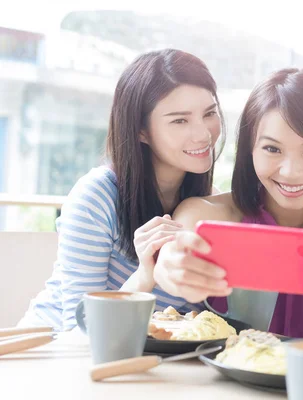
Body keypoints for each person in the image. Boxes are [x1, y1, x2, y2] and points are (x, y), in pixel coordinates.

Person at [151, 68, 303, 339]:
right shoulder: (205, 216)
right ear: (249, 149)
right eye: (272, 149)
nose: (290, 172)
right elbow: (174, 259)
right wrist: (170, 266)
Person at [19, 49, 225, 330]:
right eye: (180, 120)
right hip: (56, 349)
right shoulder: (97, 197)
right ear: (141, 130)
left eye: (209, 113)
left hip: (140, 354)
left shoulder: (210, 206)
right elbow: (80, 328)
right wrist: (146, 273)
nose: (203, 133)